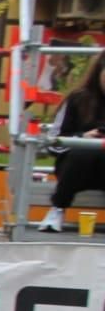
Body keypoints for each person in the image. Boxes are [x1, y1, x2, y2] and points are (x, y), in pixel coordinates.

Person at [38, 51, 105, 231]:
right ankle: (57, 208)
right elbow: (54, 142)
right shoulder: (78, 99)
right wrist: (82, 138)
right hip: (76, 168)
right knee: (84, 153)